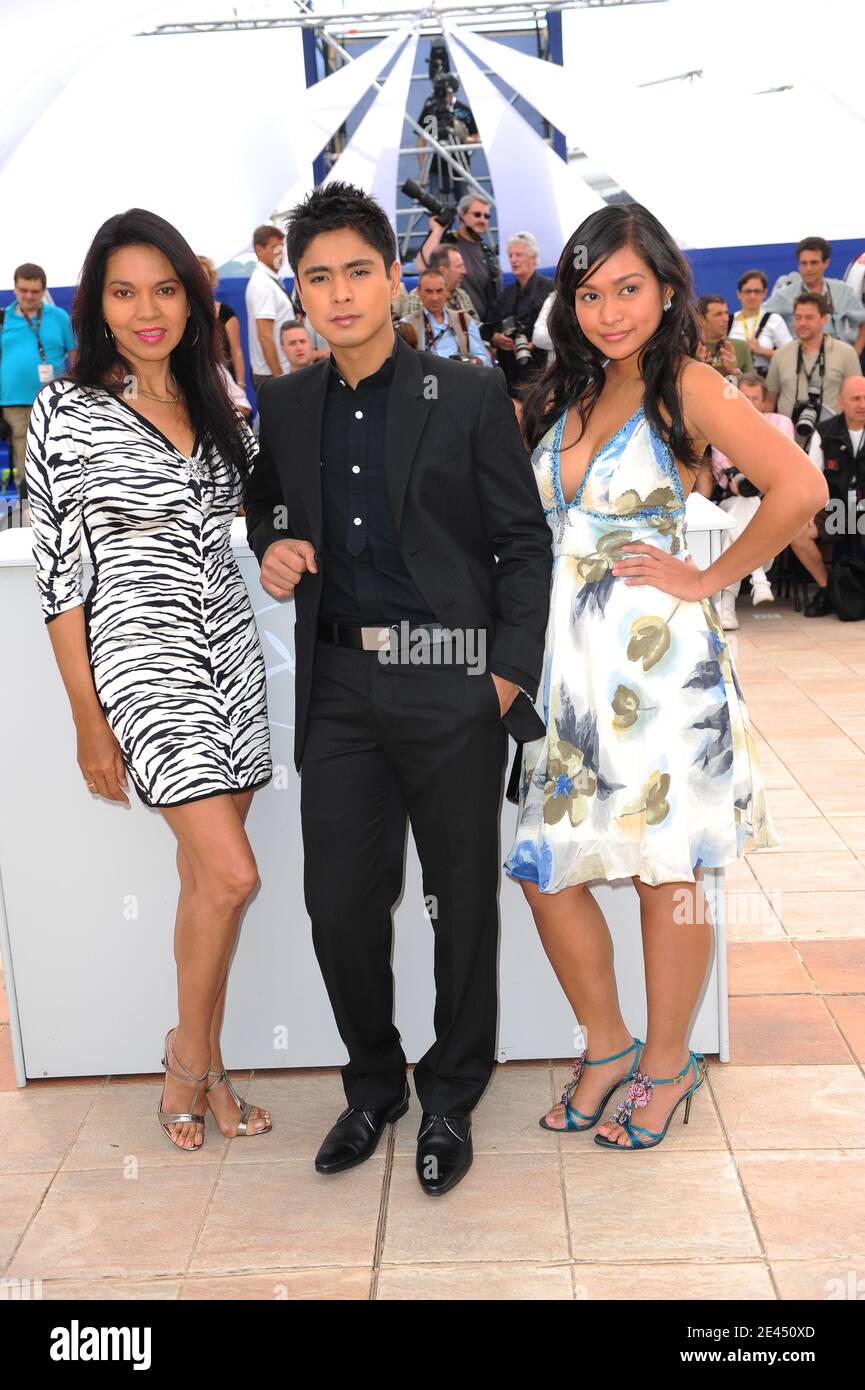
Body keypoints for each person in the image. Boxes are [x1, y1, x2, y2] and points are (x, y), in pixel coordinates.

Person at [243, 181, 552, 1196]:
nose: (337, 295)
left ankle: (451, 1093)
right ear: (299, 290)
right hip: (338, 682)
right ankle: (373, 1082)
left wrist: (502, 676)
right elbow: (267, 509)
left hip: (450, 679)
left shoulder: (461, 393)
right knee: (338, 901)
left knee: (460, 900)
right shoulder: (285, 404)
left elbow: (521, 542)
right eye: (317, 278)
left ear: (394, 278)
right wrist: (275, 546)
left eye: (356, 273)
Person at [504, 202, 827, 1151]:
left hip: (658, 668)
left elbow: (800, 488)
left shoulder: (686, 383)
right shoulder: (569, 390)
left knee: (667, 875)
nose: (609, 311)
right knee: (543, 869)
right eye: (591, 293)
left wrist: (707, 575)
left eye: (629, 289)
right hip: (571, 674)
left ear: (667, 290)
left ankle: (666, 1061)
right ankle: (607, 1046)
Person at [25, 208, 274, 1152]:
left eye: (163, 289)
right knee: (232, 873)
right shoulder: (66, 410)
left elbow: (265, 514)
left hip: (231, 656)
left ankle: (204, 1066)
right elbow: (60, 581)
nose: (146, 310)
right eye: (124, 293)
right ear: (99, 306)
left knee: (204, 881)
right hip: (142, 665)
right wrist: (88, 722)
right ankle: (186, 1061)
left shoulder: (218, 405)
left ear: (192, 296)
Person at [710, 374, 796, 629]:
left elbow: (784, 462)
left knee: (735, 523)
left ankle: (727, 608)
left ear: (765, 400)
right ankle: (759, 578)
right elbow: (730, 478)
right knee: (744, 504)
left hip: (770, 504)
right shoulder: (720, 427)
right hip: (731, 502)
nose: (748, 402)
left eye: (754, 398)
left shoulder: (781, 422)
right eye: (743, 397)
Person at [790, 375, 865, 617]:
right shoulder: (824, 431)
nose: (862, 404)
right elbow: (812, 476)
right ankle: (828, 590)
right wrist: (811, 510)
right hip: (835, 508)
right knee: (797, 532)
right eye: (856, 398)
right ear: (841, 401)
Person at [1, 262, 75, 495]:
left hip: (55, 401)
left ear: (44, 290)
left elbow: (74, 354)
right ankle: (29, 513)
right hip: (13, 402)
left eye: (35, 291)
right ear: (14, 288)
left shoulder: (59, 316)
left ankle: (62, 501)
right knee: (24, 458)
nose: (29, 296)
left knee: (60, 453)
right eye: (23, 290)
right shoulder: (3, 320)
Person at [764, 292, 861, 427]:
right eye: (798, 318)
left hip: (831, 440)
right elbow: (770, 400)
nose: (802, 323)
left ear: (824, 319)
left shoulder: (846, 353)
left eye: (809, 318)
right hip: (788, 439)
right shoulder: (780, 355)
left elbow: (857, 398)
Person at [481, 232, 554, 398]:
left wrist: (535, 343)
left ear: (533, 257)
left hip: (542, 371)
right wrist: (497, 338)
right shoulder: (505, 294)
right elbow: (489, 327)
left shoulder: (549, 289)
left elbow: (561, 328)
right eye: (510, 255)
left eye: (518, 255)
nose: (513, 260)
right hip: (510, 373)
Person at [763, 236, 865, 348]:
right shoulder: (784, 295)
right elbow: (758, 316)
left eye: (814, 263)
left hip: (838, 360)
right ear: (798, 265)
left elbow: (862, 322)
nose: (808, 268)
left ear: (826, 263)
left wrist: (855, 354)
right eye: (804, 263)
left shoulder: (843, 291)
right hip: (800, 361)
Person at [415, 192, 502, 322]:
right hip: (451, 326)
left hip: (482, 328)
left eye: (486, 216)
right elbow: (422, 267)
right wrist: (437, 230)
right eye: (477, 214)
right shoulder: (448, 244)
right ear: (462, 214)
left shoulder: (487, 252)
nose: (482, 220)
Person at [400, 268, 490, 365]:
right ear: (418, 292)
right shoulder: (407, 324)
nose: (435, 298)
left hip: (459, 375)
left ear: (447, 291)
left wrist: (471, 362)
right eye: (428, 291)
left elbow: (483, 356)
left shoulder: (464, 320)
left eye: (439, 291)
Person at [245, 223, 295, 393]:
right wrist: (279, 378)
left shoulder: (271, 280)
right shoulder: (262, 284)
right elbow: (265, 336)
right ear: (259, 250)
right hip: (272, 374)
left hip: (279, 370)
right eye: (275, 248)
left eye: (282, 248)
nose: (281, 253)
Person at [727, 269, 792, 377]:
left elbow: (790, 356)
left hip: (765, 382)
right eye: (748, 291)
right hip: (735, 383)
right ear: (738, 294)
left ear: (764, 293)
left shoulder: (774, 319)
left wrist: (761, 350)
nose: (752, 296)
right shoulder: (728, 321)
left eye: (757, 291)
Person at [198, 254, 245, 388]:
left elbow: (236, 351)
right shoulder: (181, 314)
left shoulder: (225, 312)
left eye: (204, 276)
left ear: (211, 279)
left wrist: (240, 386)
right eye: (197, 277)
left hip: (226, 382)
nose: (201, 282)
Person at [402, 245, 477, 320]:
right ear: (443, 271)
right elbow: (410, 330)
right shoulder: (418, 297)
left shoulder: (461, 294)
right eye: (459, 266)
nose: (464, 271)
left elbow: (476, 325)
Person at [694, 294, 753, 382]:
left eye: (726, 313)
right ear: (700, 319)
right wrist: (696, 364)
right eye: (718, 314)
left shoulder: (740, 346)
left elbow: (754, 388)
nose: (726, 319)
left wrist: (734, 372)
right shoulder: (689, 349)